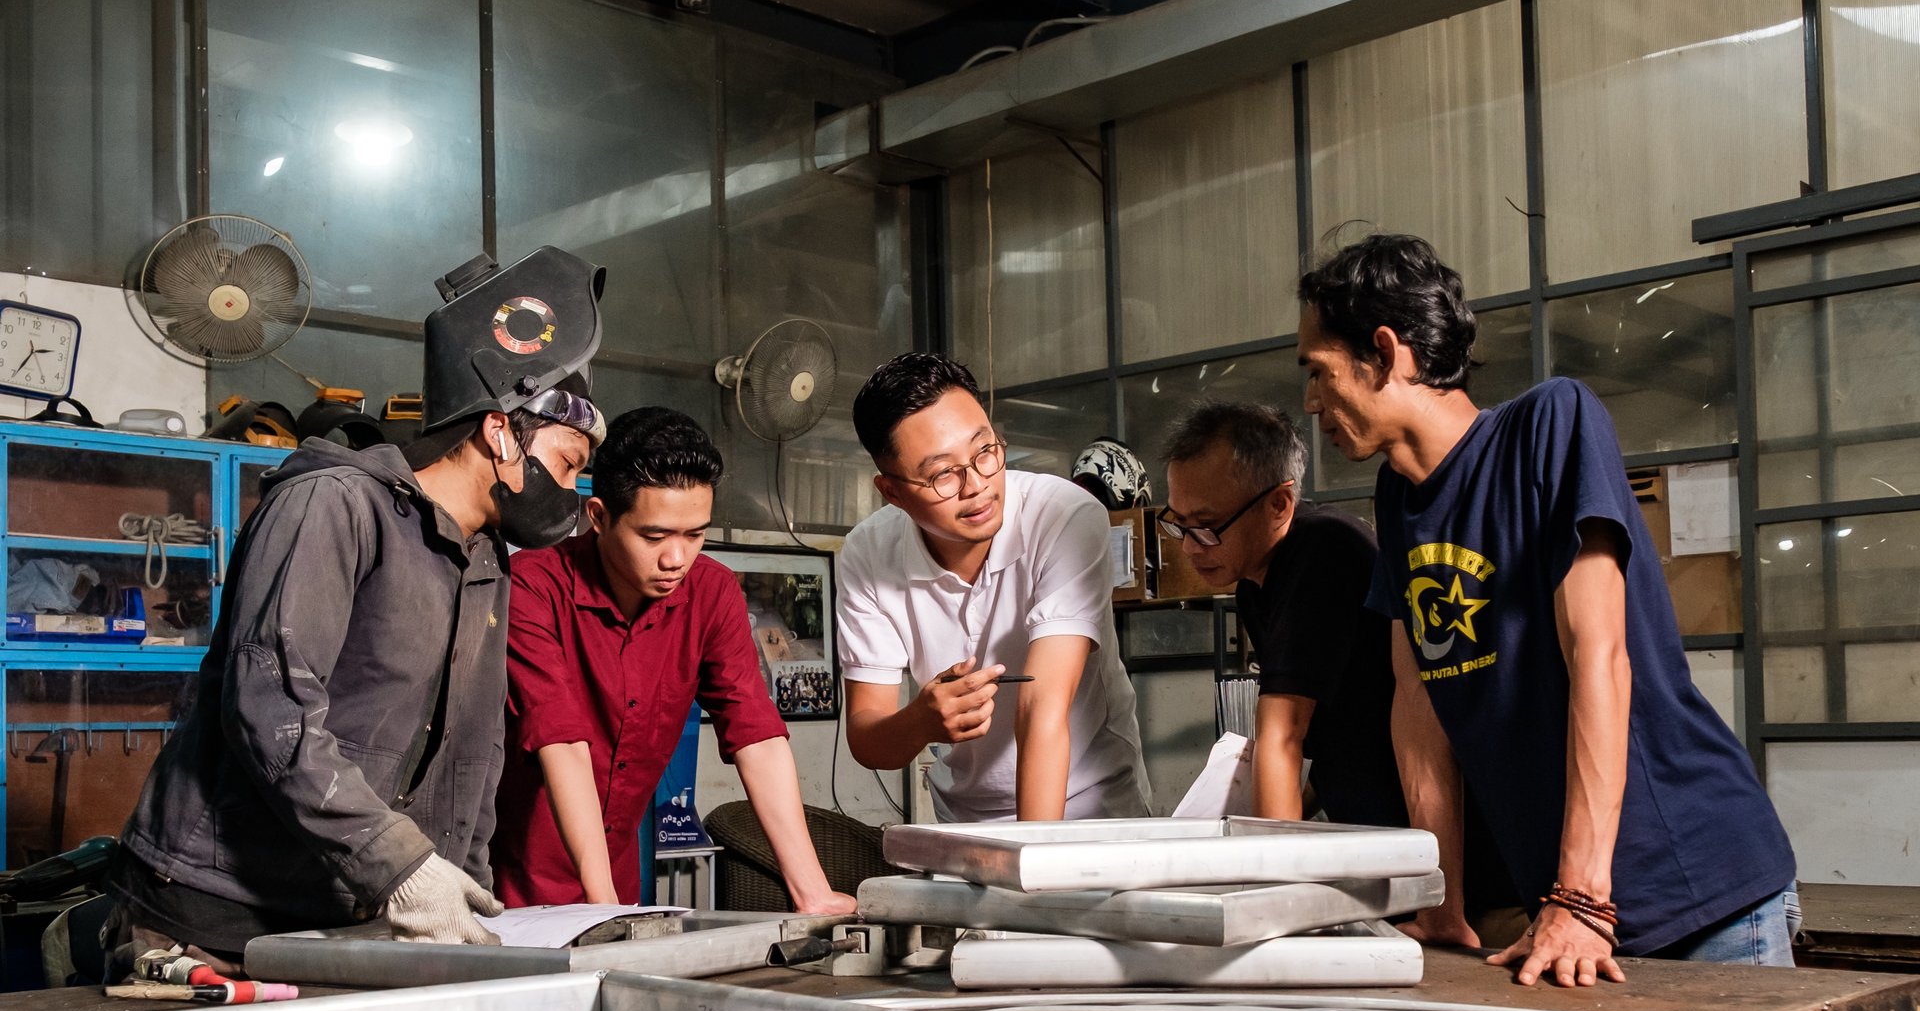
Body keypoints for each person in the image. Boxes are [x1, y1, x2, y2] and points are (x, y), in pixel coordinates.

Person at [1297, 231, 1798, 1011]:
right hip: (1553, 921)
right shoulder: (1400, 504)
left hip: (1696, 887)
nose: (1313, 397)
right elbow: (1421, 699)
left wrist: (1580, 890)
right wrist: (1440, 898)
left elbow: (1601, 657)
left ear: (1386, 353)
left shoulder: (1549, 426)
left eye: (1320, 369)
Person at [110, 248, 605, 966]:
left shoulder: (485, 563)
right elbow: (268, 707)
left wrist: (463, 891)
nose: (572, 489)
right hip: (210, 908)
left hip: (339, 912)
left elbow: (472, 754)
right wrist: (398, 865)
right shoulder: (333, 505)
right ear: (502, 432)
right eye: (567, 463)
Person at [491, 405, 853, 916]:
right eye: (654, 536)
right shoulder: (533, 586)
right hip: (506, 888)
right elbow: (562, 742)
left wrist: (812, 893)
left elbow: (757, 736)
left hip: (619, 885)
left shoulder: (713, 593)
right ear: (598, 518)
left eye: (695, 534)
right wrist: (603, 912)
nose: (676, 559)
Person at [838, 353, 1149, 823]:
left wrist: (1030, 863)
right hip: (965, 823)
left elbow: (1041, 708)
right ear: (893, 493)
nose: (977, 485)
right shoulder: (868, 554)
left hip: (1092, 812)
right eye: (943, 473)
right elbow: (867, 737)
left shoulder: (1063, 516)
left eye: (985, 451)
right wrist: (920, 721)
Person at [1160, 400, 1405, 825]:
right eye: (1178, 523)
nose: (1189, 545)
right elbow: (1332, 735)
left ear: (1278, 504)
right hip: (1369, 818)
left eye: (1207, 525)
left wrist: (1272, 876)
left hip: (1424, 832)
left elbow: (1283, 735)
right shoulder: (1257, 581)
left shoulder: (1322, 551)